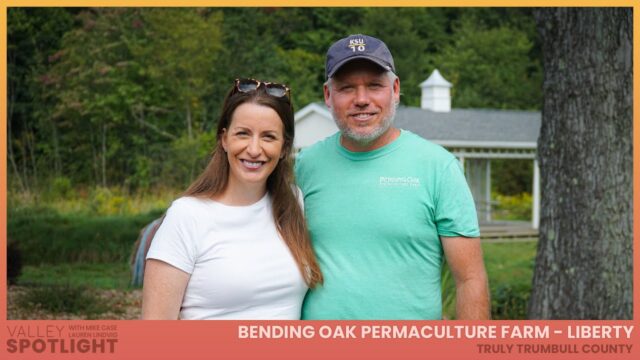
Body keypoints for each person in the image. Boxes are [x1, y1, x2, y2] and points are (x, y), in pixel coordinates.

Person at [295, 34, 490, 320]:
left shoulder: (438, 167)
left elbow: (470, 280)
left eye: (374, 86)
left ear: (395, 89)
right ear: (327, 95)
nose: (362, 100)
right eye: (347, 88)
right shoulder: (305, 165)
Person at [142, 78, 322, 320]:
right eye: (243, 134)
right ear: (224, 139)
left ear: (283, 148)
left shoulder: (293, 202)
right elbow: (154, 335)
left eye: (268, 137)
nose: (254, 149)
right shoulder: (187, 216)